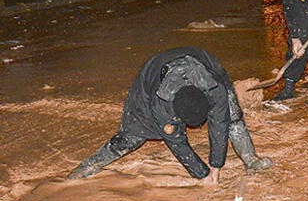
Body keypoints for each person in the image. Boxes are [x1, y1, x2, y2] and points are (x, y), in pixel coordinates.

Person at [68, 47, 272, 183]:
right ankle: (85, 169)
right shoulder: (161, 102)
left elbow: (220, 124)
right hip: (152, 74)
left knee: (233, 116)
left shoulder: (214, 88)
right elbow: (176, 140)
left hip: (203, 63)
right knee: (131, 137)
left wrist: (216, 167)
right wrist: (202, 175)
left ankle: (250, 159)